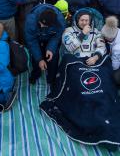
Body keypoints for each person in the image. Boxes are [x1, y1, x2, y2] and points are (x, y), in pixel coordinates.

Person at [40, 9, 120, 152]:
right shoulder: (68, 31)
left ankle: (106, 120)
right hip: (76, 61)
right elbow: (71, 47)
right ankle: (87, 116)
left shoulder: (97, 32)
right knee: (80, 89)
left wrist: (96, 56)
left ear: (90, 21)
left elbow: (102, 47)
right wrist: (83, 34)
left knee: (104, 85)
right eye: (82, 20)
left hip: (94, 61)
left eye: (86, 20)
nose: (84, 23)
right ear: (77, 20)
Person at [24, 4, 66, 86]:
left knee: (53, 56)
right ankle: (36, 73)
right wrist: (39, 59)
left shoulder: (60, 21)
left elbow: (57, 36)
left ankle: (52, 78)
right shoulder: (30, 20)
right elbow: (31, 40)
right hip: (37, 38)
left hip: (50, 38)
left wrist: (50, 48)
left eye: (45, 25)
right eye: (40, 23)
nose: (42, 26)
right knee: (35, 57)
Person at [101, 16, 120, 85]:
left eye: (105, 37)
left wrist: (108, 70)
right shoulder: (117, 30)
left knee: (116, 77)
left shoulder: (117, 48)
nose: (104, 38)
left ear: (110, 38)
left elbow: (115, 66)